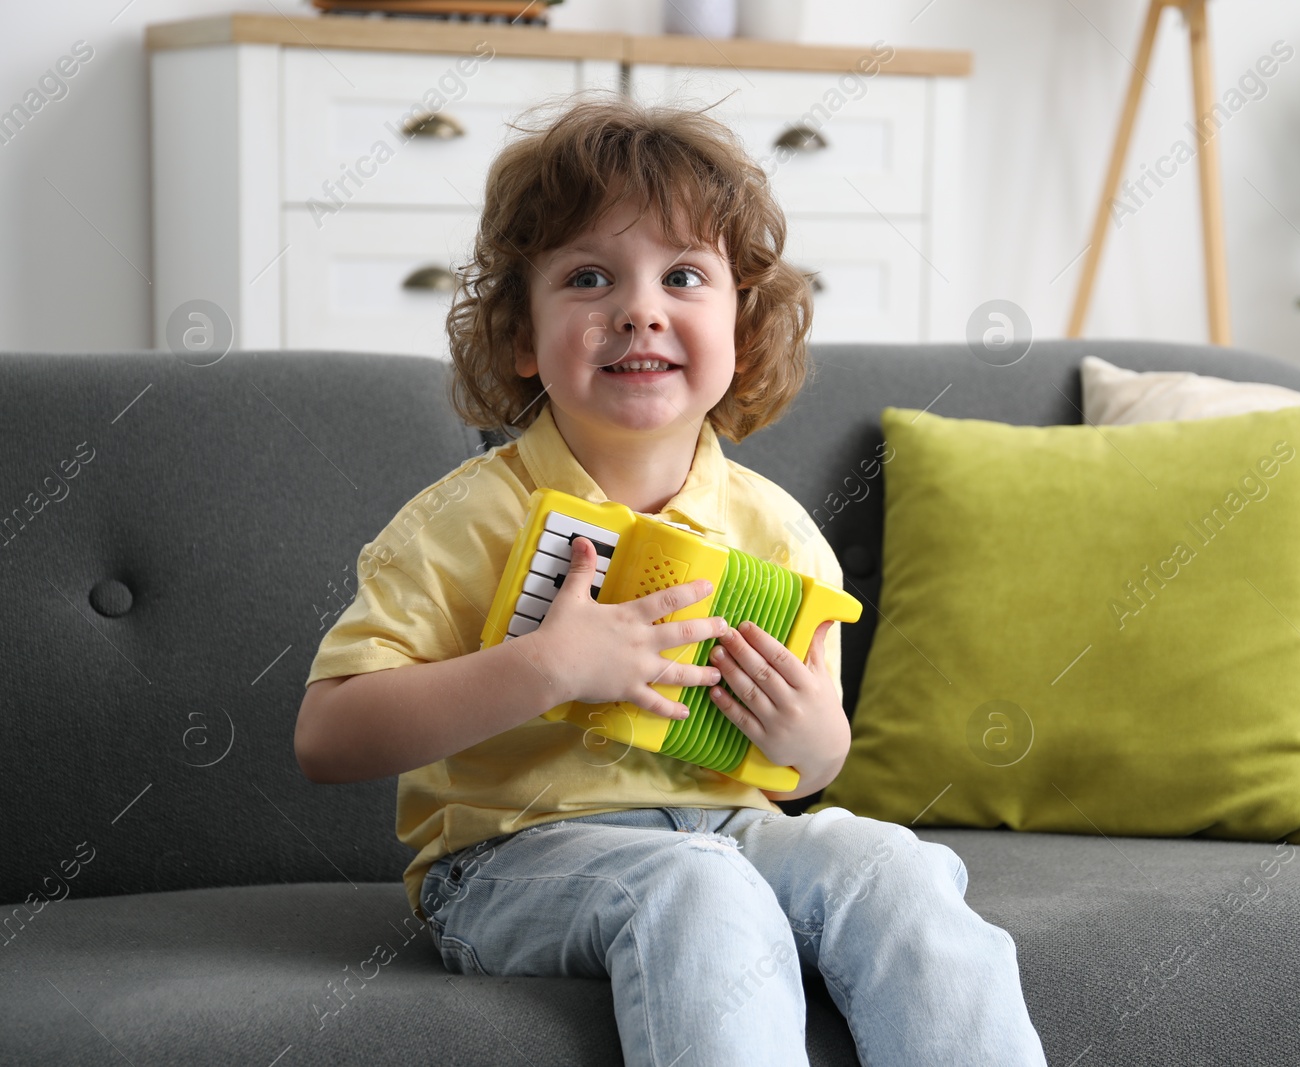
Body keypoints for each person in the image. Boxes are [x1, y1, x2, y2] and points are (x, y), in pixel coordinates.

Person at [294, 93, 1047, 1067]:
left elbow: (809, 768)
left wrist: (810, 745)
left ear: (741, 327)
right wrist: (546, 668)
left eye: (683, 274)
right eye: (590, 276)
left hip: (731, 829)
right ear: (524, 335)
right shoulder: (459, 521)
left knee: (890, 864)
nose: (639, 307)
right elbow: (327, 736)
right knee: (697, 883)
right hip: (508, 863)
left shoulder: (776, 532)